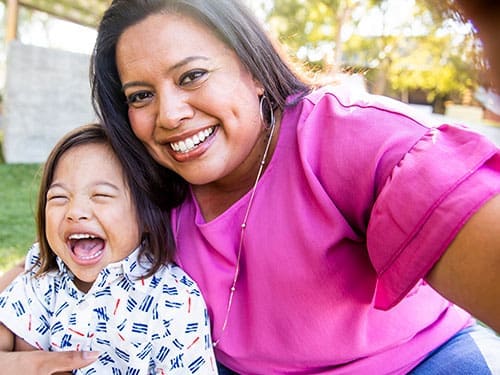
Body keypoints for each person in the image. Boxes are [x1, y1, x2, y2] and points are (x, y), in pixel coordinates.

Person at [1, 0, 499, 374]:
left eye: (192, 75)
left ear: (253, 69)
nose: (169, 115)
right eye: (141, 95)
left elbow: (459, 216)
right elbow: (48, 264)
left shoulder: (347, 140)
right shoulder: (148, 180)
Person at [0, 123, 217, 374]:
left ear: (146, 216)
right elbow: (19, 351)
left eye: (101, 195)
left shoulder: (173, 299)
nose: (75, 213)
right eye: (59, 197)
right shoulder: (42, 279)